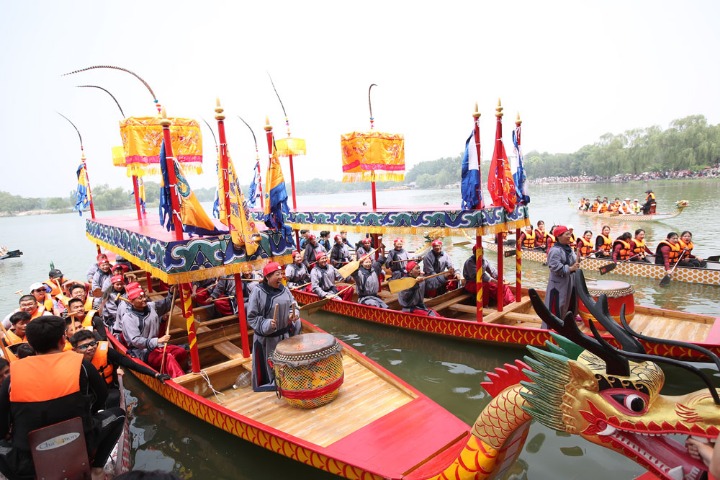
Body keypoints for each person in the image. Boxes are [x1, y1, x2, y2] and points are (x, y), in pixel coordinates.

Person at [0, 315, 125, 480]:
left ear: (30, 344)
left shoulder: (12, 377)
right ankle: (97, 469)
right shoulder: (82, 365)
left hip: (29, 457)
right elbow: (101, 397)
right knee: (119, 414)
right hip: (80, 443)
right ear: (62, 340)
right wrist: (88, 415)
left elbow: (2, 425)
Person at [69, 329, 169, 408]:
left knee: (112, 399)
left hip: (109, 390)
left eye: (92, 344)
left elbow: (131, 364)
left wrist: (156, 374)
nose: (90, 348)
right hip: (89, 394)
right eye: (84, 347)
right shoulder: (71, 363)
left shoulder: (107, 352)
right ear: (75, 350)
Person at [246, 262, 302, 392]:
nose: (281, 277)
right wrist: (267, 323)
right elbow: (252, 317)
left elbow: (293, 304)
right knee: (270, 367)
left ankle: (286, 383)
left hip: (284, 336)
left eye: (281, 274)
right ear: (267, 277)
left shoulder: (284, 289)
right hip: (267, 339)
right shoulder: (257, 291)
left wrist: (293, 314)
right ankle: (271, 383)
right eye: (277, 274)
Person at [120, 282, 188, 378]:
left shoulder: (151, 306)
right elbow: (135, 341)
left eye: (144, 297)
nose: (144, 300)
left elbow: (166, 304)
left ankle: (180, 371)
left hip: (156, 346)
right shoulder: (128, 318)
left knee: (181, 351)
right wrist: (157, 341)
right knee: (167, 357)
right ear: (131, 302)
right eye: (140, 298)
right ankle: (180, 379)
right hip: (141, 351)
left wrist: (172, 293)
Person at [544, 225, 579, 326]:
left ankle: (568, 324)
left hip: (570, 281)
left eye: (569, 234)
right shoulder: (555, 250)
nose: (569, 236)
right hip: (558, 284)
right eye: (567, 234)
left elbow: (573, 261)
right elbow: (555, 267)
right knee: (558, 305)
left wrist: (577, 261)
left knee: (570, 303)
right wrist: (571, 268)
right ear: (559, 236)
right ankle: (553, 327)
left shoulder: (568, 248)